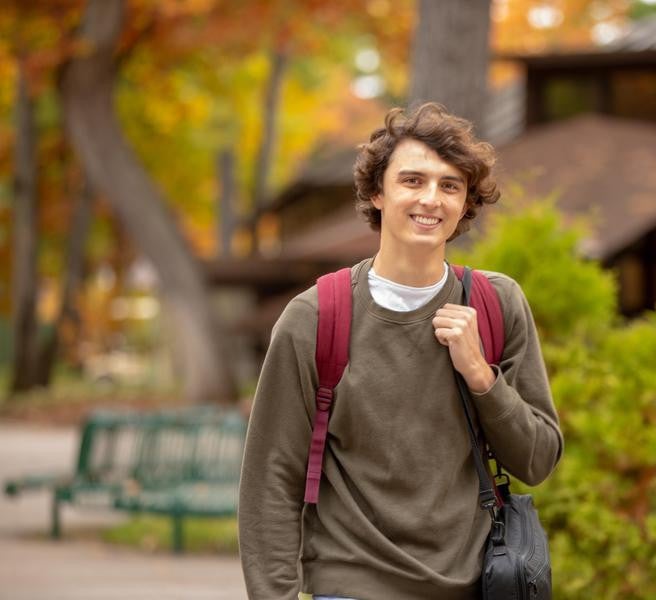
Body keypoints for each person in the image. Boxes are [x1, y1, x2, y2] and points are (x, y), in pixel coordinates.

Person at [238, 103, 563, 600]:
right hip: (350, 588)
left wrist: (482, 376)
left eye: (450, 185)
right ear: (377, 192)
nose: (431, 199)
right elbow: (270, 479)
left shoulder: (496, 304)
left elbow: (537, 460)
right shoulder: (316, 316)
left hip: (473, 585)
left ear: (465, 203)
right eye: (412, 180)